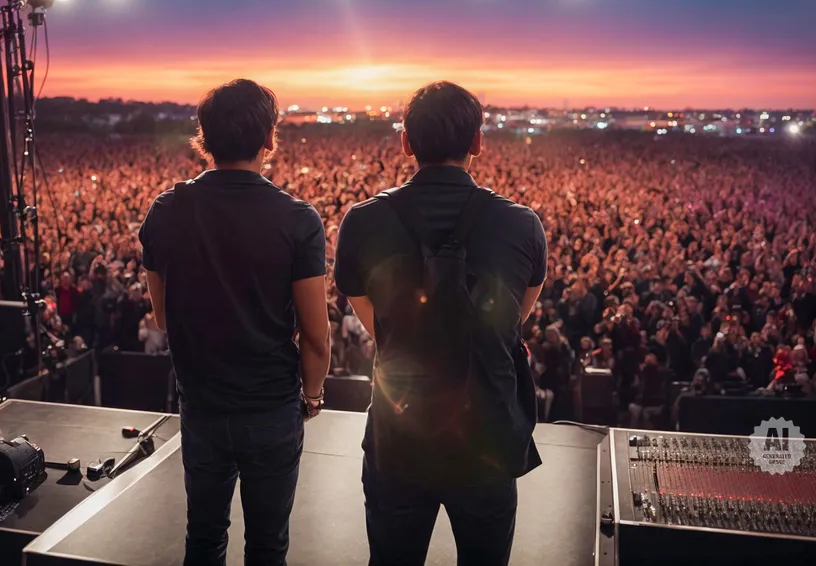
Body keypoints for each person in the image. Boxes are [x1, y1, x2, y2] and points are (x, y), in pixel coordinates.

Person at [335, 81, 544, 566]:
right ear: (478, 142)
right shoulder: (521, 224)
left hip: (400, 435)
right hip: (488, 437)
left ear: (406, 143)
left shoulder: (362, 221)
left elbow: (374, 322)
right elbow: (514, 318)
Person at [139, 79, 331, 566]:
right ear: (269, 137)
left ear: (204, 137)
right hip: (271, 407)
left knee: (204, 539)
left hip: (202, 405)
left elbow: (162, 316)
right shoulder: (297, 219)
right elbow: (316, 336)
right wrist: (311, 396)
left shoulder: (166, 210)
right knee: (268, 545)